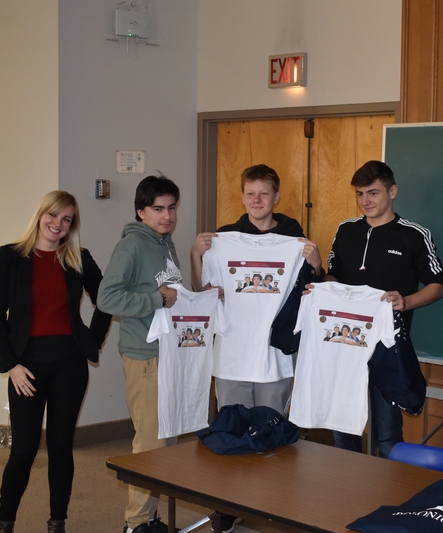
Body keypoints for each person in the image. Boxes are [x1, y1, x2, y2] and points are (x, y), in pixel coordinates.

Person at [190, 163, 321, 533]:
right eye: (251, 193)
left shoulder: (295, 239)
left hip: (275, 358)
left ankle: (270, 507)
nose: (257, 200)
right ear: (242, 196)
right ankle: (227, 507)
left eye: (264, 193)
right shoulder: (223, 239)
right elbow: (201, 291)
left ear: (276, 196)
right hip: (231, 355)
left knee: (271, 439)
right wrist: (196, 255)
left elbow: (313, 290)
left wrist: (314, 263)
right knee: (230, 433)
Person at [0, 191, 111, 533]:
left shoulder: (78, 259)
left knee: (60, 447)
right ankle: (5, 522)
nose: (58, 224)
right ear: (41, 215)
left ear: (72, 225)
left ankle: (58, 522)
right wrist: (11, 366)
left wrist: (92, 340)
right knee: (23, 450)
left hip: (70, 365)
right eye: (53, 215)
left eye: (66, 219)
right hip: (26, 368)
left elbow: (107, 298)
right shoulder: (10, 256)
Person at [325, 160, 443, 458]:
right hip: (344, 344)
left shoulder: (415, 234)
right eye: (360, 194)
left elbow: (437, 285)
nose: (365, 200)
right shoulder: (346, 230)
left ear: (392, 192)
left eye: (373, 193)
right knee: (343, 430)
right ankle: (345, 484)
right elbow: (332, 275)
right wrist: (324, 289)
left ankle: (389, 486)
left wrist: (407, 301)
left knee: (387, 435)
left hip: (387, 348)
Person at [97, 175, 182, 533]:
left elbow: (171, 294)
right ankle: (136, 524)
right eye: (158, 209)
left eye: (172, 208)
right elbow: (107, 298)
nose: (167, 215)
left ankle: (150, 517)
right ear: (141, 211)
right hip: (145, 355)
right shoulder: (132, 245)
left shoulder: (165, 243)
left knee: (165, 440)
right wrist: (156, 298)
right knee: (150, 442)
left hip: (168, 352)